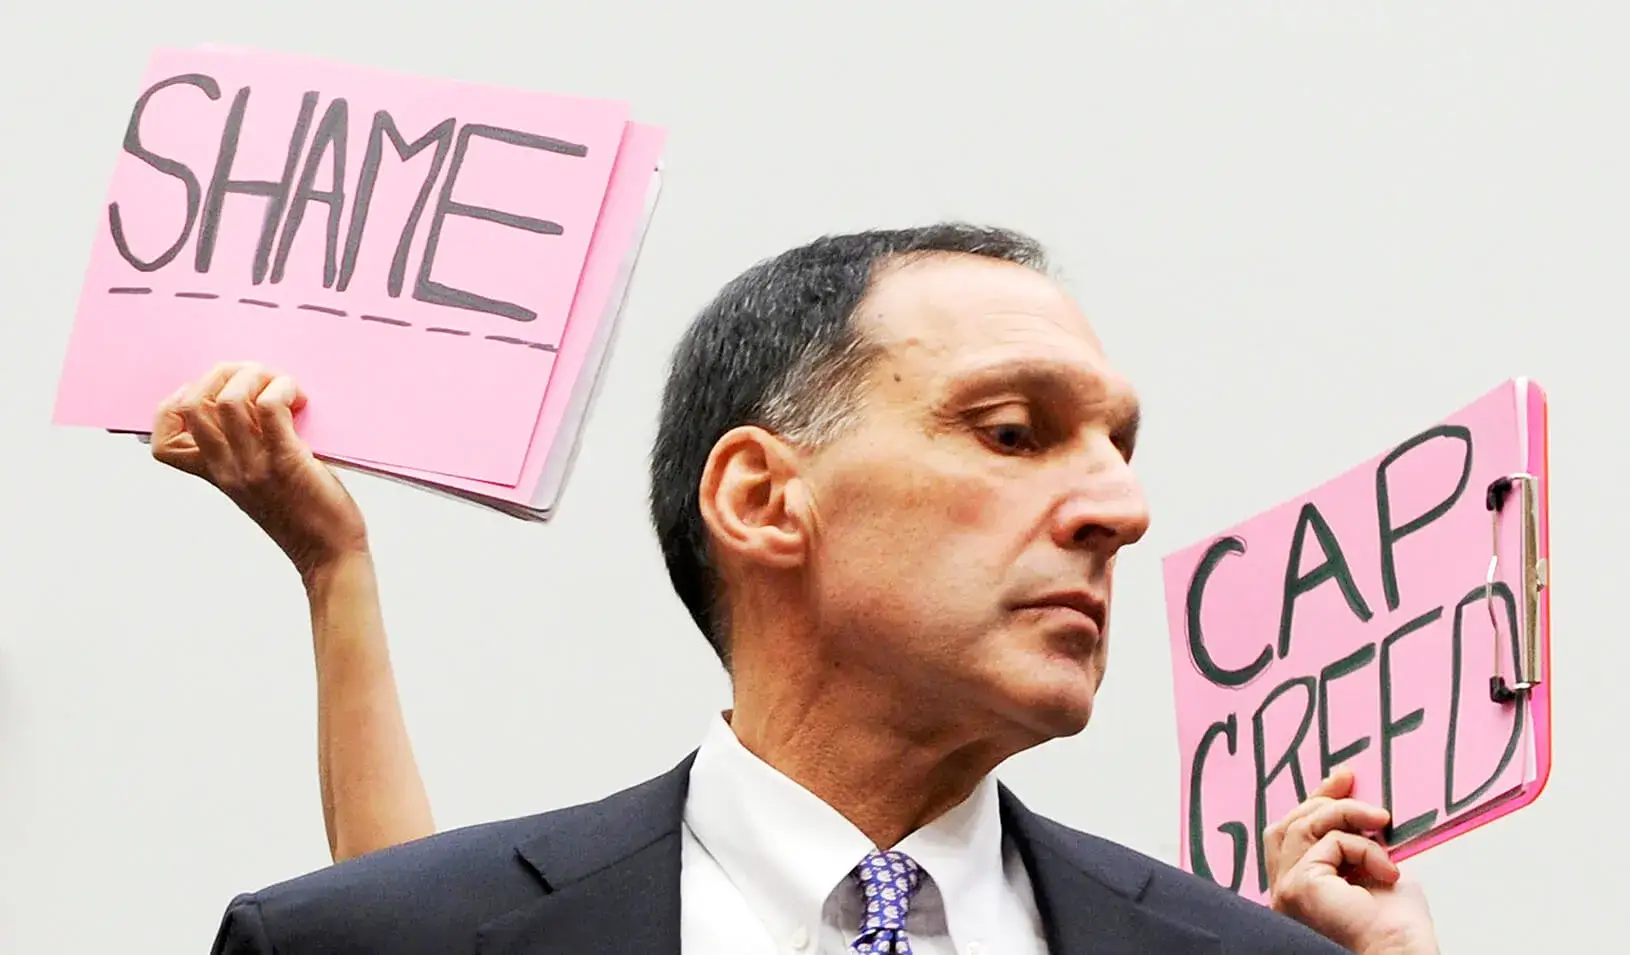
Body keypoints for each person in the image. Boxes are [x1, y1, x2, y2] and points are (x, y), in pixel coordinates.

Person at [164, 224, 1439, 954]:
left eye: (1120, 446)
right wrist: (336, 569)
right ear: (765, 501)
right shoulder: (370, 946)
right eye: (1011, 431)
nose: (1120, 508)